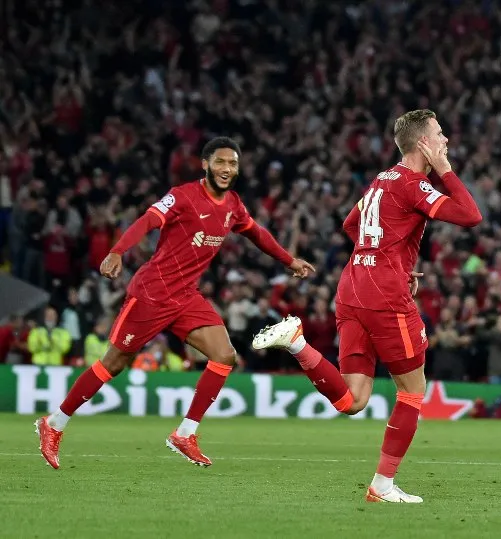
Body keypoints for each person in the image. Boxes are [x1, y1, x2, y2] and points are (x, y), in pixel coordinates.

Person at [35, 137, 315, 470]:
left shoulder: (234, 205)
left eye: (233, 163)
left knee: (224, 355)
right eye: (221, 162)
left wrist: (288, 260)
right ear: (205, 164)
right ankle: (54, 423)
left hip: (185, 296)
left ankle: (185, 433)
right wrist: (117, 251)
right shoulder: (182, 196)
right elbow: (146, 221)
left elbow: (257, 234)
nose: (227, 169)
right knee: (113, 363)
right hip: (152, 292)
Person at [252, 109, 482, 503]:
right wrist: (445, 171)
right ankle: (382, 485)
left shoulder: (381, 180)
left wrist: (391, 259)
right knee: (412, 392)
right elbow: (470, 215)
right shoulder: (412, 183)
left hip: (352, 285)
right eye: (440, 135)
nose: (446, 142)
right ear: (423, 143)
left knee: (353, 400)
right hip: (383, 294)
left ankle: (296, 344)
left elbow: (349, 224)